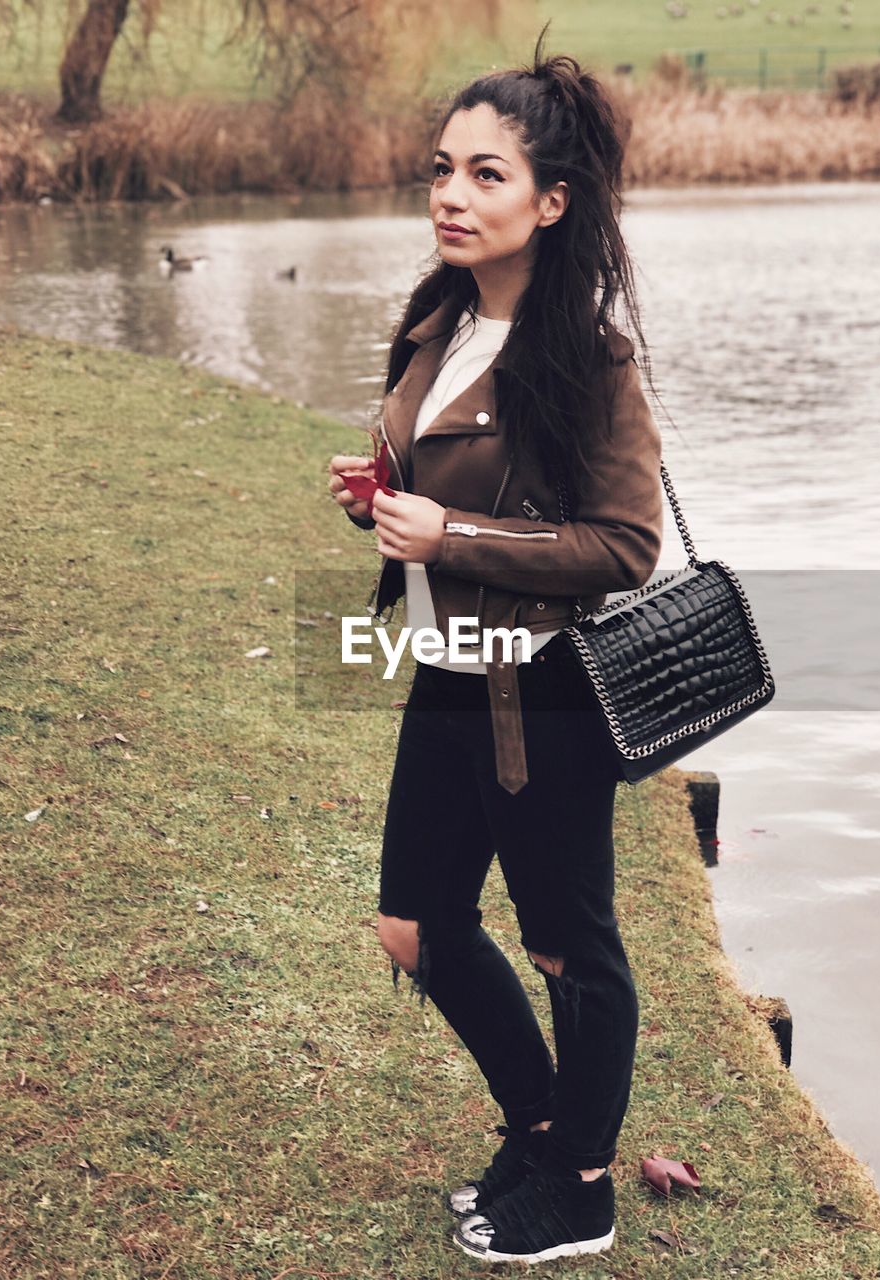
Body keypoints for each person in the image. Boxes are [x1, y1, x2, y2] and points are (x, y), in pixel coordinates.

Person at [328, 28, 663, 1266]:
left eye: (483, 174)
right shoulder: (439, 321)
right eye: (439, 169)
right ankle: (539, 1125)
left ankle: (579, 1183)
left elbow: (623, 546)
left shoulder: (587, 358)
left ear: (551, 200)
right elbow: (437, 489)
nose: (448, 196)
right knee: (414, 924)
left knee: (570, 942)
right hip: (448, 669)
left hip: (547, 693)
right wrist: (381, 503)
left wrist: (450, 528)